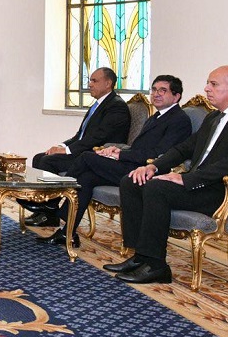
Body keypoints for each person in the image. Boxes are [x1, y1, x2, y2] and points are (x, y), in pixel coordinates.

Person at [105, 65, 228, 284]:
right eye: (208, 83)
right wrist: (154, 167)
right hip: (203, 185)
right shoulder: (213, 117)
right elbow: (184, 148)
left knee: (156, 188)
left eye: (213, 84)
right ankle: (140, 257)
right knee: (133, 181)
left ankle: (156, 266)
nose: (206, 88)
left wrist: (185, 178)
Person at [36, 75, 192, 247]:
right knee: (86, 178)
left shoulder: (179, 120)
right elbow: (138, 148)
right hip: (132, 164)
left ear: (176, 96)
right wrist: (117, 150)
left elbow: (160, 153)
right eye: (154, 90)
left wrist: (121, 156)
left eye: (163, 91)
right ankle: (67, 233)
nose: (156, 94)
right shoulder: (157, 116)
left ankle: (53, 201)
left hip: (144, 172)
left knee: (87, 157)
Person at [22, 67, 131, 227]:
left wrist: (67, 151)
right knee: (39, 157)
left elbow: (98, 137)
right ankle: (43, 210)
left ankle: (49, 210)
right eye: (90, 80)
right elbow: (80, 135)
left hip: (95, 156)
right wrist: (61, 145)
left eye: (94, 81)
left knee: (47, 161)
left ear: (108, 83)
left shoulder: (116, 106)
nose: (90, 84)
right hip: (83, 150)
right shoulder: (97, 105)